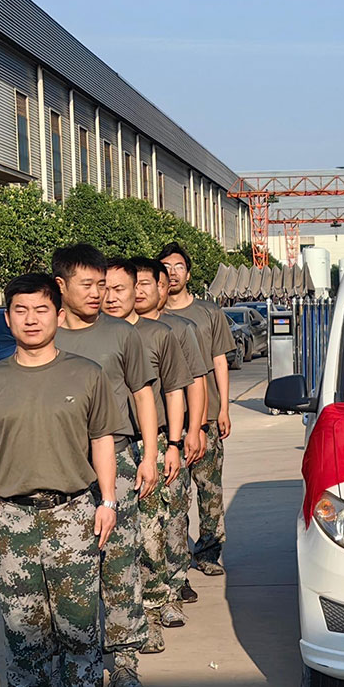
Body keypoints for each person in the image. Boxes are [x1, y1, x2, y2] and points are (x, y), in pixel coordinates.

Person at [0, 273, 123, 687]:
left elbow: (102, 440)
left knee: (77, 619)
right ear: (7, 317)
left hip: (72, 512)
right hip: (13, 517)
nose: (31, 320)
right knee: (22, 622)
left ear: (57, 314)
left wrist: (108, 501)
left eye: (41, 310)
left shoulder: (86, 375)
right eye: (21, 310)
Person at [50, 246, 160, 687]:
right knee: (71, 570)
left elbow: (142, 394)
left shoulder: (122, 334)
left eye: (102, 284)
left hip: (118, 457)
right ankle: (81, 662)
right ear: (61, 286)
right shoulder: (46, 334)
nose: (98, 294)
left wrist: (150, 454)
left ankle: (125, 659)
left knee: (119, 561)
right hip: (63, 466)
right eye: (88, 285)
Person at [133, 258, 209, 635]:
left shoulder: (176, 330)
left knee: (172, 516)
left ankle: (174, 586)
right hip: (123, 442)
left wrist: (192, 431)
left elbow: (191, 384)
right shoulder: (114, 333)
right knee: (143, 525)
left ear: (162, 287)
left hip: (164, 437)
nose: (137, 292)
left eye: (145, 283)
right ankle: (146, 593)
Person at [159, 243, 236, 578]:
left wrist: (224, 408)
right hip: (170, 421)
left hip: (208, 414)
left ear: (188, 274)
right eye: (166, 266)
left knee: (209, 489)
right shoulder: (152, 316)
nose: (172, 272)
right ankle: (173, 561)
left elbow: (219, 361)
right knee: (174, 494)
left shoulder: (208, 312)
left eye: (178, 266)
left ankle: (208, 552)